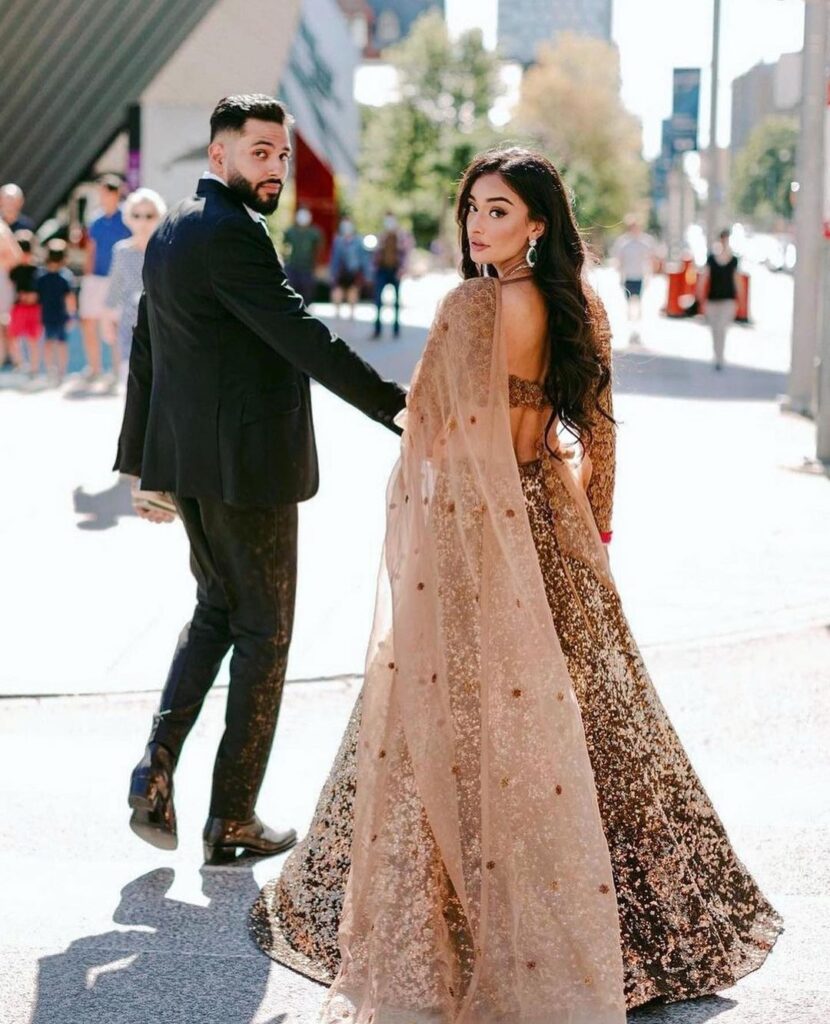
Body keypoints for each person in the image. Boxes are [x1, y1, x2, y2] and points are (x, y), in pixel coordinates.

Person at [250, 148, 783, 1021]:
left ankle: (460, 922)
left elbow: (427, 430)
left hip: (473, 528)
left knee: (448, 710)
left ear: (537, 224)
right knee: (582, 718)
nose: (478, 226)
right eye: (473, 209)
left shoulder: (469, 306)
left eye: (497, 211)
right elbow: (601, 433)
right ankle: (639, 923)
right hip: (550, 518)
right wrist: (594, 530)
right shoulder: (582, 309)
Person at [114, 94, 406, 866]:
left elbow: (150, 350)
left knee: (216, 613)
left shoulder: (173, 230)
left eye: (281, 153)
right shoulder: (233, 236)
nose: (274, 166)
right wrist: (395, 407)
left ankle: (156, 766)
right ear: (220, 157)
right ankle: (233, 815)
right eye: (258, 153)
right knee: (264, 634)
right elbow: (299, 334)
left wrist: (145, 465)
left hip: (196, 466)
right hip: (249, 471)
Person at [102, 188, 167, 376]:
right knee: (130, 382)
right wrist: (106, 321)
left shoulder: (166, 248)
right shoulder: (122, 251)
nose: (143, 221)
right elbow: (114, 288)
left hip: (162, 325)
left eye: (149, 215)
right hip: (130, 324)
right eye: (137, 215)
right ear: (129, 217)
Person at [80, 174, 131, 382]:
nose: (102, 196)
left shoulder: (126, 218)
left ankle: (117, 370)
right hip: (96, 278)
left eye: (105, 192)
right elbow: (91, 250)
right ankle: (95, 368)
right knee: (88, 321)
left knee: (116, 325)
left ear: (115, 193)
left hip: (118, 279)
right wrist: (87, 276)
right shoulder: (96, 220)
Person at [609, 216, 656, 340]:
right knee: (629, 300)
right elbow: (619, 260)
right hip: (628, 275)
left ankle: (637, 321)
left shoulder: (645, 242)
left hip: (639, 274)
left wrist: (649, 274)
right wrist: (619, 274)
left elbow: (650, 258)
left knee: (638, 299)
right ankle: (631, 321)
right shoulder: (623, 242)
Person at [37, 241, 76, 383]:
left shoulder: (41, 276)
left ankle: (49, 370)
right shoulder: (65, 277)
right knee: (62, 343)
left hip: (47, 314)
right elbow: (70, 298)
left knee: (48, 342)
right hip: (61, 314)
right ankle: (62, 371)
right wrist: (72, 315)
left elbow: (38, 298)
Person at [701, 228, 739, 371]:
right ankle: (716, 355)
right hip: (713, 299)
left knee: (722, 328)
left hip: (728, 300)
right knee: (714, 329)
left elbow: (737, 280)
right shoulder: (711, 258)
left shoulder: (734, 259)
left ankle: (720, 357)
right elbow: (705, 277)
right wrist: (699, 297)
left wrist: (739, 299)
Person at [8, 231, 43, 376]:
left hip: (34, 309)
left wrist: (32, 296)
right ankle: (19, 364)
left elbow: (40, 289)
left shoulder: (37, 270)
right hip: (19, 307)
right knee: (13, 336)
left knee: (33, 339)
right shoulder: (15, 269)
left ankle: (34, 368)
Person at [371, 211, 410, 339]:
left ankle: (396, 330)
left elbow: (406, 254)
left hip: (395, 270)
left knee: (396, 302)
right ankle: (377, 329)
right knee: (378, 300)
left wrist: (402, 269)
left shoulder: (401, 236)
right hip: (382, 270)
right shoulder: (381, 235)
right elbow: (375, 254)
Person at [283, 206, 323, 305]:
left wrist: (317, 265)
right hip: (292, 267)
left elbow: (319, 249)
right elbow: (284, 247)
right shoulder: (290, 231)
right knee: (291, 290)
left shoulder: (315, 232)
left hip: (308, 268)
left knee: (308, 291)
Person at [329, 218, 365, 320]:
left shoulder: (358, 241)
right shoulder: (338, 241)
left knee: (353, 292)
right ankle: (337, 312)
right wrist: (333, 272)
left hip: (353, 270)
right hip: (340, 271)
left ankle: (352, 314)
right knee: (337, 291)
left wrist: (364, 274)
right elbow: (334, 257)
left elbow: (363, 258)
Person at [0, 218, 23, 369]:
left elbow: (16, 257)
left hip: (2, 279)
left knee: (6, 320)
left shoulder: (2, 229)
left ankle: (16, 360)